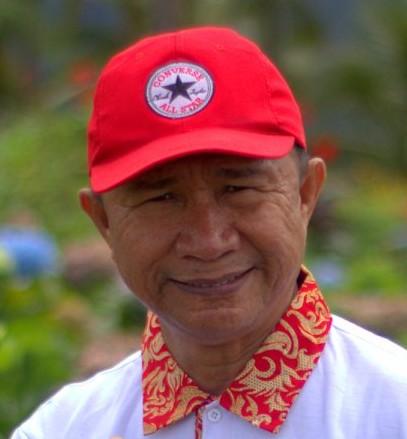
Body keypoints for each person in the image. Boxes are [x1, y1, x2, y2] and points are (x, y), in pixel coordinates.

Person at [12, 26, 407, 439]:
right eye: (162, 198)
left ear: (305, 194)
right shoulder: (62, 429)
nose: (208, 242)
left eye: (238, 189)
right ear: (104, 222)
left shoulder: (394, 411)